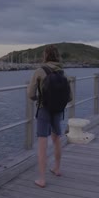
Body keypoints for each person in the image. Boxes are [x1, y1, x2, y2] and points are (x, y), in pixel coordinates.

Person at [27, 45, 72, 188]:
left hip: (44, 109)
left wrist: (38, 98)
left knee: (42, 143)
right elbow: (69, 97)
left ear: (45, 56)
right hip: (58, 109)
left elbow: (31, 94)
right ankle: (57, 168)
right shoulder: (62, 72)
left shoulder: (40, 71)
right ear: (57, 56)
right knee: (57, 138)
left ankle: (42, 179)